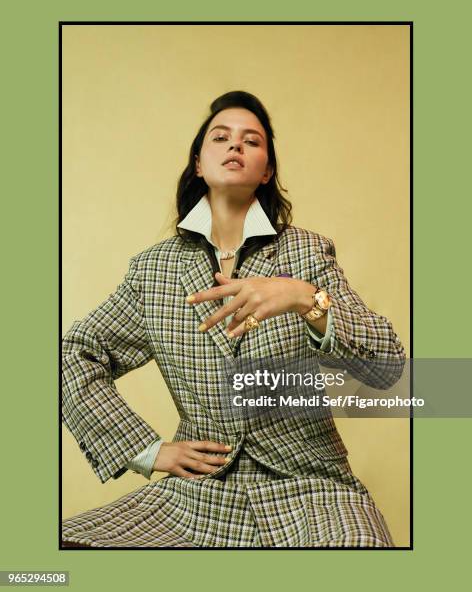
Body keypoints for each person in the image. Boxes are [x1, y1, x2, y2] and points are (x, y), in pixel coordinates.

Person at [61, 90, 406, 548]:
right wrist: (144, 451)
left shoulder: (307, 253)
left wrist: (305, 298)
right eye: (220, 137)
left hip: (312, 490)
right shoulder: (153, 270)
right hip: (198, 497)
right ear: (199, 163)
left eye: (252, 140)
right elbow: (73, 353)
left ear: (266, 171)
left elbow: (387, 366)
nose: (235, 146)